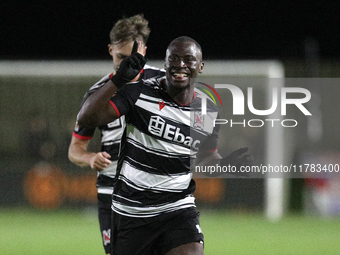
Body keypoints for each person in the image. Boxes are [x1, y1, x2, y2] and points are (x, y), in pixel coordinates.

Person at [78, 36, 252, 255]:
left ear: (200, 66)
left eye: (188, 59)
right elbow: (86, 119)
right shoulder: (139, 93)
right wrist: (117, 81)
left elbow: (205, 158)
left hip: (178, 208)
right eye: (174, 59)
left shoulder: (208, 111)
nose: (181, 65)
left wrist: (226, 163)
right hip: (133, 212)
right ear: (165, 63)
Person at [68, 14, 165, 255]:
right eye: (121, 58)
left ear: (144, 49)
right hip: (111, 191)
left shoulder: (164, 84)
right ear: (111, 50)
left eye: (134, 58)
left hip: (154, 190)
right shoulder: (97, 94)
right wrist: (89, 158)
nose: (127, 66)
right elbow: (74, 150)